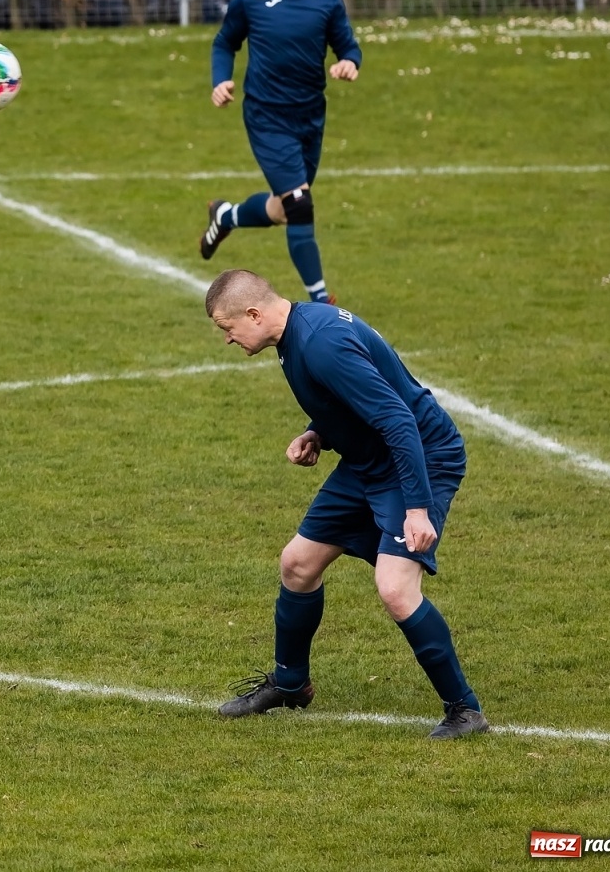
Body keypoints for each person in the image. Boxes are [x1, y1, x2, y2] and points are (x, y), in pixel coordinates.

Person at [204, 268, 487, 739]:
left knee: (395, 588)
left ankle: (465, 709)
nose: (228, 339)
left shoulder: (321, 343)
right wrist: (318, 432)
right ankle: (291, 685)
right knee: (296, 564)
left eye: (227, 328)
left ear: (253, 313)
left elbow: (398, 419)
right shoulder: (294, 335)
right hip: (367, 460)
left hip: (416, 456)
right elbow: (348, 400)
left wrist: (417, 508)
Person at [199, 0, 362, 306]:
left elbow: (348, 47)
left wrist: (349, 63)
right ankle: (320, 300)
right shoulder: (250, 0)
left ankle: (226, 216)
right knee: (300, 203)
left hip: (310, 118)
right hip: (266, 117)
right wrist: (221, 80)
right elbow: (225, 42)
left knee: (285, 208)